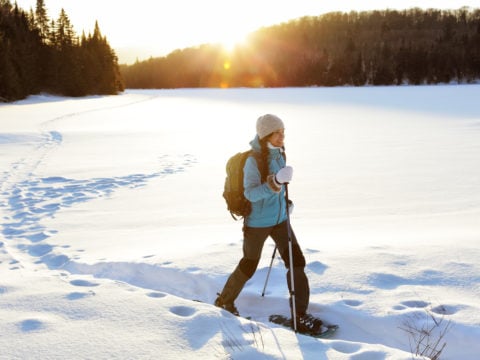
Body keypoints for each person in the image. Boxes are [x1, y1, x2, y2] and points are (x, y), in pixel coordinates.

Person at [215, 114, 324, 334]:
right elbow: (251, 193)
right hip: (257, 223)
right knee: (249, 264)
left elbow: (280, 187)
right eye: (278, 133)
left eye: (284, 132)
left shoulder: (279, 153)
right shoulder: (253, 161)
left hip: (280, 220)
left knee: (297, 262)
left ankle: (300, 315)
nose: (282, 136)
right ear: (266, 134)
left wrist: (285, 202)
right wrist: (275, 182)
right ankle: (224, 301)